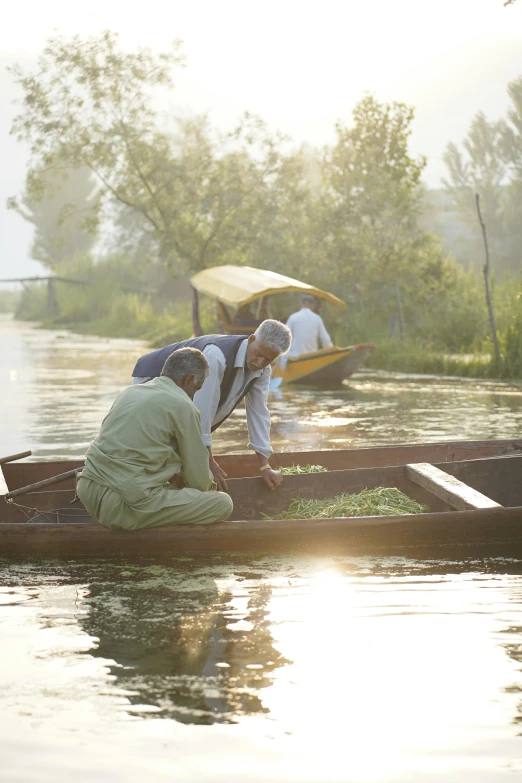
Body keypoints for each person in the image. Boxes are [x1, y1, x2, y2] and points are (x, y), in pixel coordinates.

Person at [77, 348, 233, 530]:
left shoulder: (130, 392)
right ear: (188, 379)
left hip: (87, 490)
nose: (193, 395)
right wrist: (201, 491)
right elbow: (198, 479)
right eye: (196, 389)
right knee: (222, 503)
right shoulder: (184, 406)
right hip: (124, 504)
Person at [131, 320, 292, 492]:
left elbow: (258, 412)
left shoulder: (262, 371)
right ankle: (143, 487)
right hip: (151, 377)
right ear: (251, 340)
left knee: (183, 443)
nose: (260, 362)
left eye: (268, 359)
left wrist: (264, 466)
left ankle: (170, 481)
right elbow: (202, 410)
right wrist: (209, 462)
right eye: (258, 354)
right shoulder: (217, 356)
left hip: (184, 394)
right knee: (158, 435)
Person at [280, 295, 333, 369]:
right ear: (313, 306)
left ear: (301, 304)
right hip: (312, 358)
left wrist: (282, 359)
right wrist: (330, 354)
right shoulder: (317, 318)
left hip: (296, 357)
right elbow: (326, 339)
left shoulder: (293, 317)